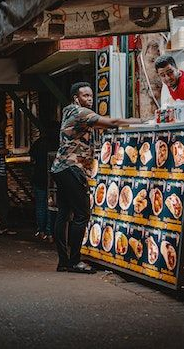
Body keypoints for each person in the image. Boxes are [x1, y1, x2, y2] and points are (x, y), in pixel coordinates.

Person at [51, 82, 143, 273]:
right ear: (76, 98)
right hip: (71, 168)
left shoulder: (69, 112)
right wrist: (143, 121)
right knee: (82, 214)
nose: (90, 99)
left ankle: (64, 261)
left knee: (63, 214)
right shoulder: (80, 112)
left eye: (91, 96)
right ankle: (75, 261)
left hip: (61, 168)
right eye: (85, 96)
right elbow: (113, 122)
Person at [29, 121, 59, 242]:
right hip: (53, 180)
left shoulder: (39, 143)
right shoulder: (57, 143)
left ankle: (41, 231)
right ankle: (50, 232)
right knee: (52, 206)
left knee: (41, 205)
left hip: (39, 178)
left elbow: (32, 158)